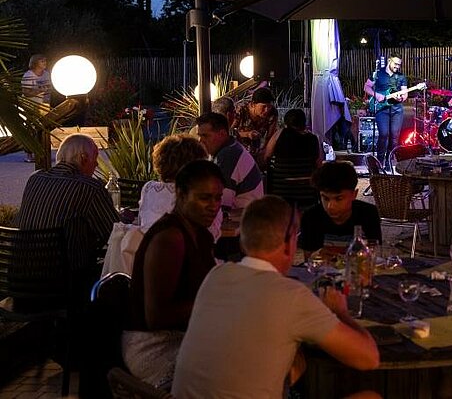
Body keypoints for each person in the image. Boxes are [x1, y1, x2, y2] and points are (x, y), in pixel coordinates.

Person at [172, 196, 380, 399]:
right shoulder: (292, 296)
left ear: (244, 243)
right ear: (289, 244)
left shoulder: (216, 276)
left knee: (296, 362)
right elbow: (368, 359)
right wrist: (340, 312)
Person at [123, 160, 223, 389]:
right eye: (204, 198)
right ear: (181, 194)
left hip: (186, 334)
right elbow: (157, 316)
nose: (214, 206)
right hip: (154, 344)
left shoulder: (199, 233)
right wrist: (216, 302)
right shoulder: (170, 239)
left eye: (218, 198)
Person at [15, 133, 118, 272]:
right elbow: (114, 234)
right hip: (65, 280)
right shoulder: (89, 187)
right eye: (95, 158)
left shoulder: (35, 178)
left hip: (21, 275)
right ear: (83, 158)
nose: (96, 164)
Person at [138, 133, 219, 234]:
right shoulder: (199, 196)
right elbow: (212, 234)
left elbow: (142, 222)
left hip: (151, 247)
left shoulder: (149, 189)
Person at [299, 161, 381, 256]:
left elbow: (375, 253)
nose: (330, 206)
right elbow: (309, 259)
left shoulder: (368, 213)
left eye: (339, 199)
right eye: (325, 198)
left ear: (354, 194)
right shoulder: (311, 216)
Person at [196, 112, 264, 214]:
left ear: (222, 134)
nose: (200, 141)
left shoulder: (228, 156)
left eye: (205, 136)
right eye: (200, 136)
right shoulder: (230, 148)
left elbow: (220, 203)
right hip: (247, 216)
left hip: (245, 220)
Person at [364, 54, 408, 168]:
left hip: (396, 109)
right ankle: (380, 161)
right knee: (383, 134)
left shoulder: (401, 76)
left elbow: (405, 93)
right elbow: (367, 87)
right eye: (395, 64)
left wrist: (401, 98)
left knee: (394, 137)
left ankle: (389, 160)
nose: (397, 67)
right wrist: (376, 95)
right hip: (381, 108)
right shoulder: (377, 73)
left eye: (399, 65)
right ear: (389, 61)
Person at [235, 87, 279, 164]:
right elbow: (229, 133)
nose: (267, 110)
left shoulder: (272, 113)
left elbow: (270, 136)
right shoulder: (240, 111)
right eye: (264, 106)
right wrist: (247, 134)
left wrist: (265, 151)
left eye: (269, 106)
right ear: (253, 104)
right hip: (239, 153)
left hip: (259, 152)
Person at [21, 54, 51, 162]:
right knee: (31, 129)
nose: (45, 63)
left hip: (45, 104)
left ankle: (43, 152)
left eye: (45, 61)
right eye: (42, 61)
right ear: (35, 63)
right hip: (31, 105)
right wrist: (40, 90)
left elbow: (49, 87)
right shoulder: (28, 76)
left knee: (45, 129)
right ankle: (29, 154)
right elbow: (25, 92)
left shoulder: (46, 74)